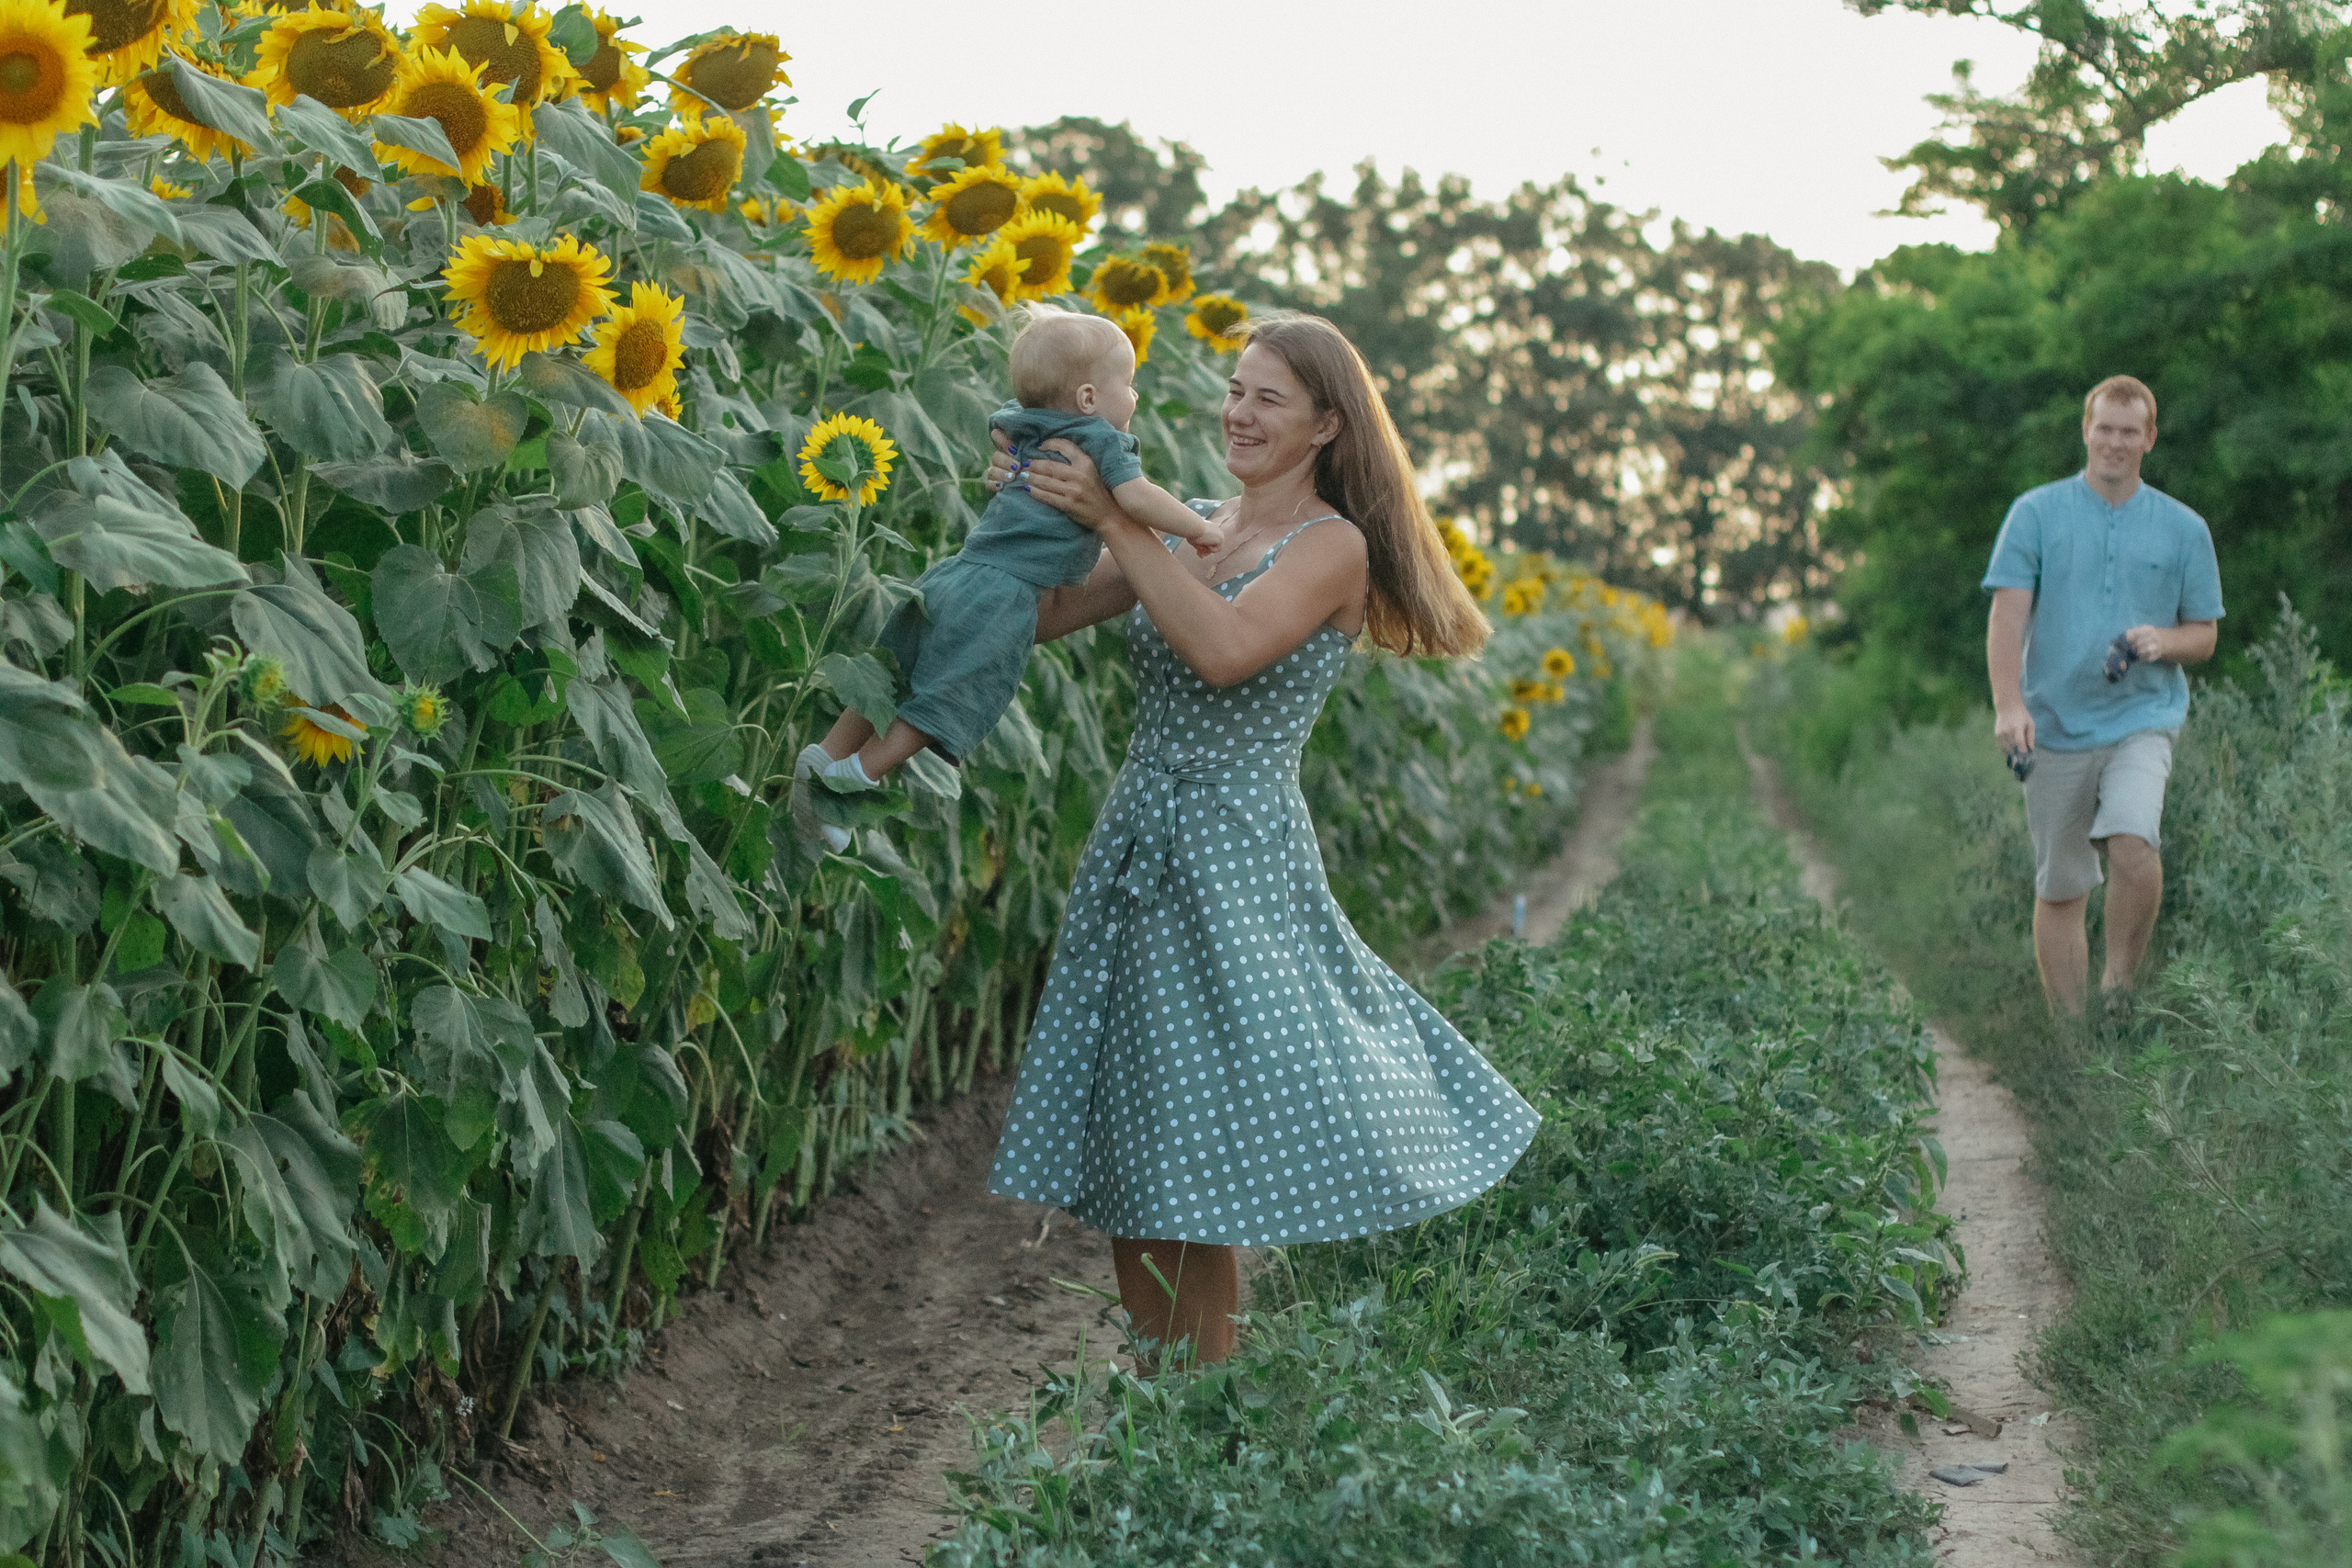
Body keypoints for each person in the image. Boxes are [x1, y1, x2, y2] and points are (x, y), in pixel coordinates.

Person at [979, 311, 1542, 1368]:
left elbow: (1226, 650)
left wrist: (1118, 522)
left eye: (1266, 397)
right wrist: (1031, 496)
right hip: (1143, 841)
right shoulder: (1194, 521)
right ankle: (1170, 1401)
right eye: (1234, 390)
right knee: (1138, 1148)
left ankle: (1206, 1408)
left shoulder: (1331, 547)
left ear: (1328, 422)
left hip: (1232, 854)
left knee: (1188, 1150)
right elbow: (1048, 615)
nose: (1235, 412)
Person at [794, 308, 1223, 852]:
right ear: (1089, 399)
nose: (1135, 398)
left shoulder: (1017, 424)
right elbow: (1137, 497)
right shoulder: (1101, 441)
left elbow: (1002, 419)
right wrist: (1197, 527)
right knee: (951, 694)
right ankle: (857, 776)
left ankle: (828, 751)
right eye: (1130, 386)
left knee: (899, 663)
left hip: (959, 571)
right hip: (1009, 593)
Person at [1983, 375, 2222, 1016]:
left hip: (2142, 717)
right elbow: (2007, 615)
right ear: (2086, 431)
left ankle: (2118, 993)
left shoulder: (2184, 529)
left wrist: (2163, 641)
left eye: (2129, 430)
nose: (2115, 442)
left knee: (2132, 841)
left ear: (2149, 437)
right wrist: (2010, 705)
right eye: (2104, 428)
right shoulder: (2035, 513)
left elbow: (2204, 635)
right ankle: (2073, 1036)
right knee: (2061, 886)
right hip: (2054, 722)